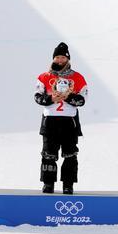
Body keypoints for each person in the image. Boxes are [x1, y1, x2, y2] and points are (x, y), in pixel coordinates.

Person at [34, 43, 88, 195]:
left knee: (70, 154)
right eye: (57, 57)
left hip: (69, 122)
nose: (59, 60)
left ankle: (68, 185)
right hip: (50, 121)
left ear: (68, 59)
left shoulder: (77, 77)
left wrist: (68, 96)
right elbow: (37, 97)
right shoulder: (44, 77)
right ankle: (48, 184)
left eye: (62, 57)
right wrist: (51, 98)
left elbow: (82, 100)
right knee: (48, 154)